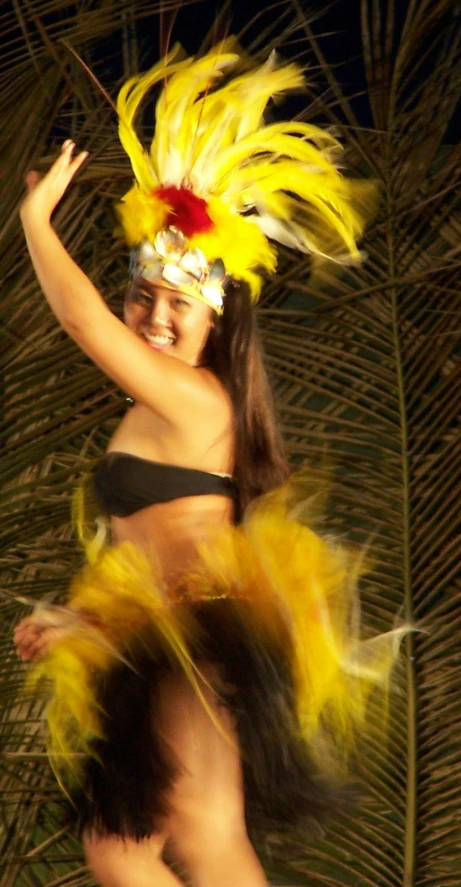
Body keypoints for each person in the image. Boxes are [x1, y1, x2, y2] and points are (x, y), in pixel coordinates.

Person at [14, 41, 398, 887]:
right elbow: (135, 549)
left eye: (176, 305)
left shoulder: (196, 401)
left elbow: (83, 328)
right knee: (140, 841)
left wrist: (35, 223)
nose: (152, 318)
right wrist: (75, 617)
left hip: (207, 637)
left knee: (192, 836)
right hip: (164, 637)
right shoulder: (153, 410)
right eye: (141, 296)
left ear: (215, 322)